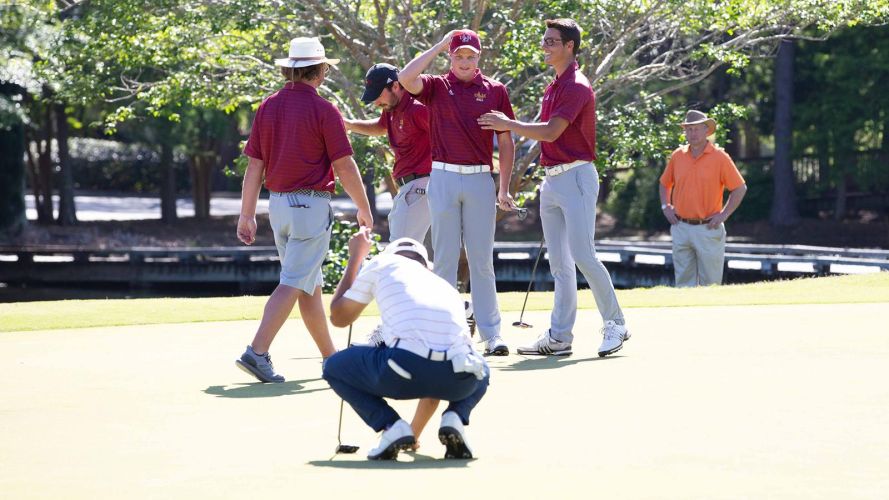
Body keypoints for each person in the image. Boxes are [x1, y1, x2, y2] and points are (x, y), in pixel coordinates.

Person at [478, 18, 629, 357]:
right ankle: (560, 337)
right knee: (559, 264)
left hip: (576, 177)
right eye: (544, 40)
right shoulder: (555, 85)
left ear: (569, 46)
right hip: (553, 180)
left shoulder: (576, 85)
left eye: (551, 42)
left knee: (583, 255)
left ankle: (616, 323)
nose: (544, 46)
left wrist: (507, 124)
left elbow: (550, 132)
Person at [234, 37, 373, 383]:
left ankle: (332, 359)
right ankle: (257, 352)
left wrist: (247, 214)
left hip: (278, 206)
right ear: (321, 72)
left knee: (307, 285)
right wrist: (364, 207)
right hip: (309, 206)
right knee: (294, 281)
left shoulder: (267, 106)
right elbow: (344, 165)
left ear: (291, 69)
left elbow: (254, 166)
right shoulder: (325, 110)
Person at [398, 29, 518, 356]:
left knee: (481, 260)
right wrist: (439, 44)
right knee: (445, 259)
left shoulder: (495, 90)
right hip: (443, 177)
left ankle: (492, 334)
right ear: (451, 56)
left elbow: (506, 142)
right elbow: (406, 77)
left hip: (480, 179)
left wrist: (503, 188)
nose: (465, 62)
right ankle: (445, 333)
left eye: (471, 56)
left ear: (479, 57)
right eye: (459, 56)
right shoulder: (437, 86)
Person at [323, 230, 490, 460]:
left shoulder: (382, 262)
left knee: (333, 366)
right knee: (480, 367)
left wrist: (356, 258)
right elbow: (434, 389)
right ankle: (455, 417)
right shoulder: (443, 285)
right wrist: (412, 435)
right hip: (458, 380)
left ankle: (390, 426)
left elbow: (339, 318)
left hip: (403, 371)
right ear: (426, 265)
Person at [343, 63, 432, 244]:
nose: (376, 102)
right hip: (410, 187)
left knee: (401, 252)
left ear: (396, 86)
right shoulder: (392, 108)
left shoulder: (418, 108)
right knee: (406, 252)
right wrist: (350, 125)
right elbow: (380, 127)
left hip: (421, 186)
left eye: (378, 95)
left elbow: (447, 135)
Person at [659, 110, 748, 287]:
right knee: (683, 284)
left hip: (708, 227)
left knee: (711, 284)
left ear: (706, 130)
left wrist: (724, 215)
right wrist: (665, 206)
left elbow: (739, 188)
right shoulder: (678, 155)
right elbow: (664, 183)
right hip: (680, 227)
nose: (692, 133)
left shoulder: (720, 157)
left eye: (697, 129)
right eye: (689, 129)